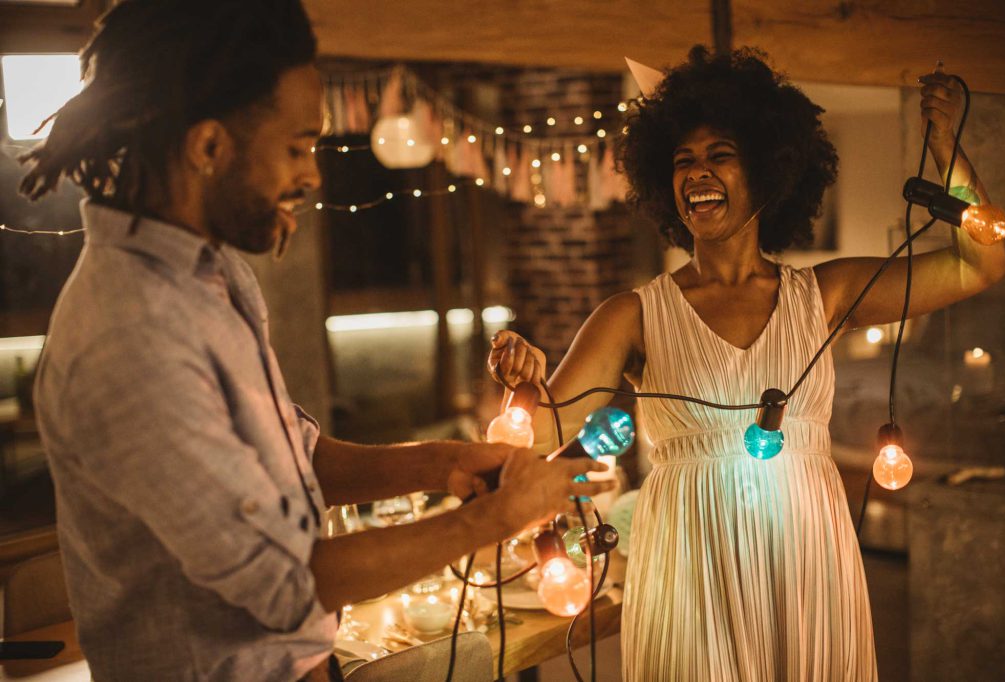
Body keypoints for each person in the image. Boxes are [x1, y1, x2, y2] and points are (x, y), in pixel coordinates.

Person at [20, 2, 612, 680]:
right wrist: (494, 518)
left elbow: (303, 459)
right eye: (299, 147)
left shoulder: (214, 279)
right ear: (209, 147)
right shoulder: (132, 334)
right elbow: (286, 584)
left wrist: (447, 462)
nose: (313, 177)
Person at [489, 46, 1005, 681]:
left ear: (766, 171)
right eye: (682, 161)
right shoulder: (633, 315)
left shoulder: (823, 295)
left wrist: (946, 149)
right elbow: (542, 432)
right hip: (690, 566)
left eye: (718, 155)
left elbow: (979, 262)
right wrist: (524, 385)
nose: (696, 172)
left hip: (806, 561)